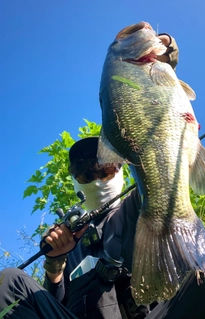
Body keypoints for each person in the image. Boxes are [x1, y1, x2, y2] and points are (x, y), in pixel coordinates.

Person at [0, 32, 179, 319]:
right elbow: (58, 301)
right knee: (7, 281)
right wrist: (55, 264)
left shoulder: (138, 203)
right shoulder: (72, 240)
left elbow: (152, 138)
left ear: (123, 166)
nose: (95, 175)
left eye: (103, 166)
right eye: (84, 171)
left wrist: (162, 62)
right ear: (74, 179)